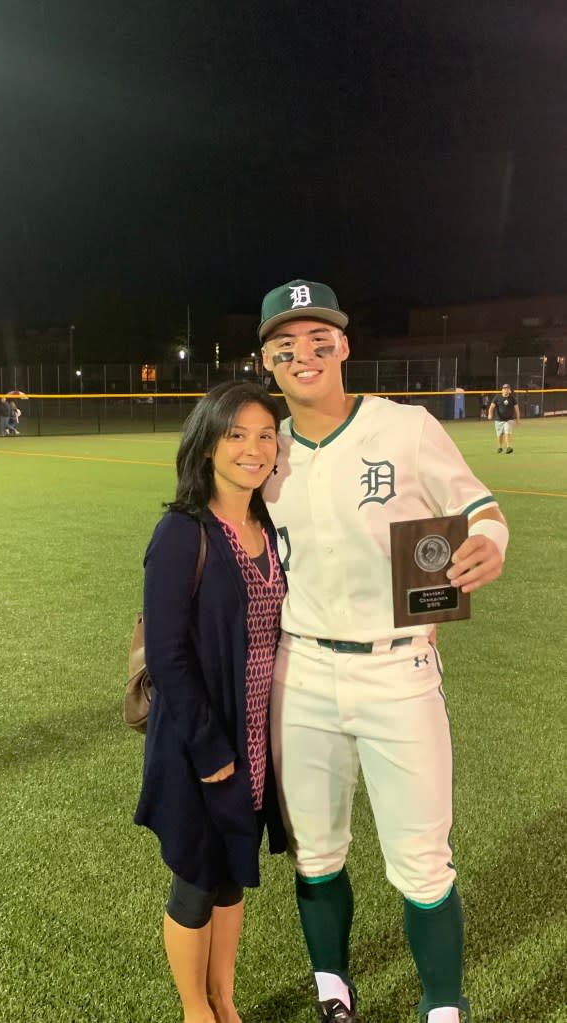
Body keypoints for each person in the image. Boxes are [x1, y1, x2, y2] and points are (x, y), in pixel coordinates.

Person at [258, 279, 508, 1023]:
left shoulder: (406, 427)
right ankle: (334, 991)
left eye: (319, 339)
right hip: (299, 671)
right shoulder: (263, 445)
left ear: (344, 346)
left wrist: (489, 545)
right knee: (316, 851)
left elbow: (480, 509)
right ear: (266, 360)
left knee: (423, 861)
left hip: (398, 665)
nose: (304, 355)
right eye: (285, 345)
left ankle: (442, 1007)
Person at [134, 380, 288, 1023]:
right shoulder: (182, 532)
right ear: (207, 448)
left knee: (232, 875)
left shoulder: (266, 522)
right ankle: (196, 1010)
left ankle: (225, 999)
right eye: (237, 435)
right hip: (204, 742)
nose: (255, 449)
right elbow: (168, 656)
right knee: (196, 882)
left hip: (256, 736)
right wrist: (208, 750)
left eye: (266, 435)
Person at [488, 383, 519, 453]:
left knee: (507, 432)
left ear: (509, 390)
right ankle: (500, 447)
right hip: (499, 419)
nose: (506, 390)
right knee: (499, 435)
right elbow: (491, 407)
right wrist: (490, 414)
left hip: (509, 419)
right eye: (504, 389)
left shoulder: (512, 398)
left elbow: (517, 409)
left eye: (507, 389)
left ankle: (508, 447)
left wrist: (517, 419)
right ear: (502, 390)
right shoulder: (497, 397)